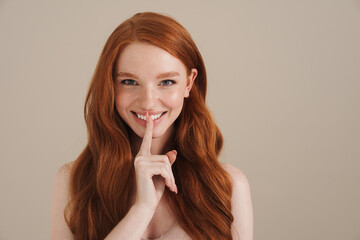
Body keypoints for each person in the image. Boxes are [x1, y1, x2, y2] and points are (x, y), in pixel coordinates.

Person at [51, 12, 253, 240]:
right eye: (129, 82)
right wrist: (142, 210)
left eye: (166, 82)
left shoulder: (229, 187)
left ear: (189, 83)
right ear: (110, 86)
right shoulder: (73, 181)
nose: (148, 101)